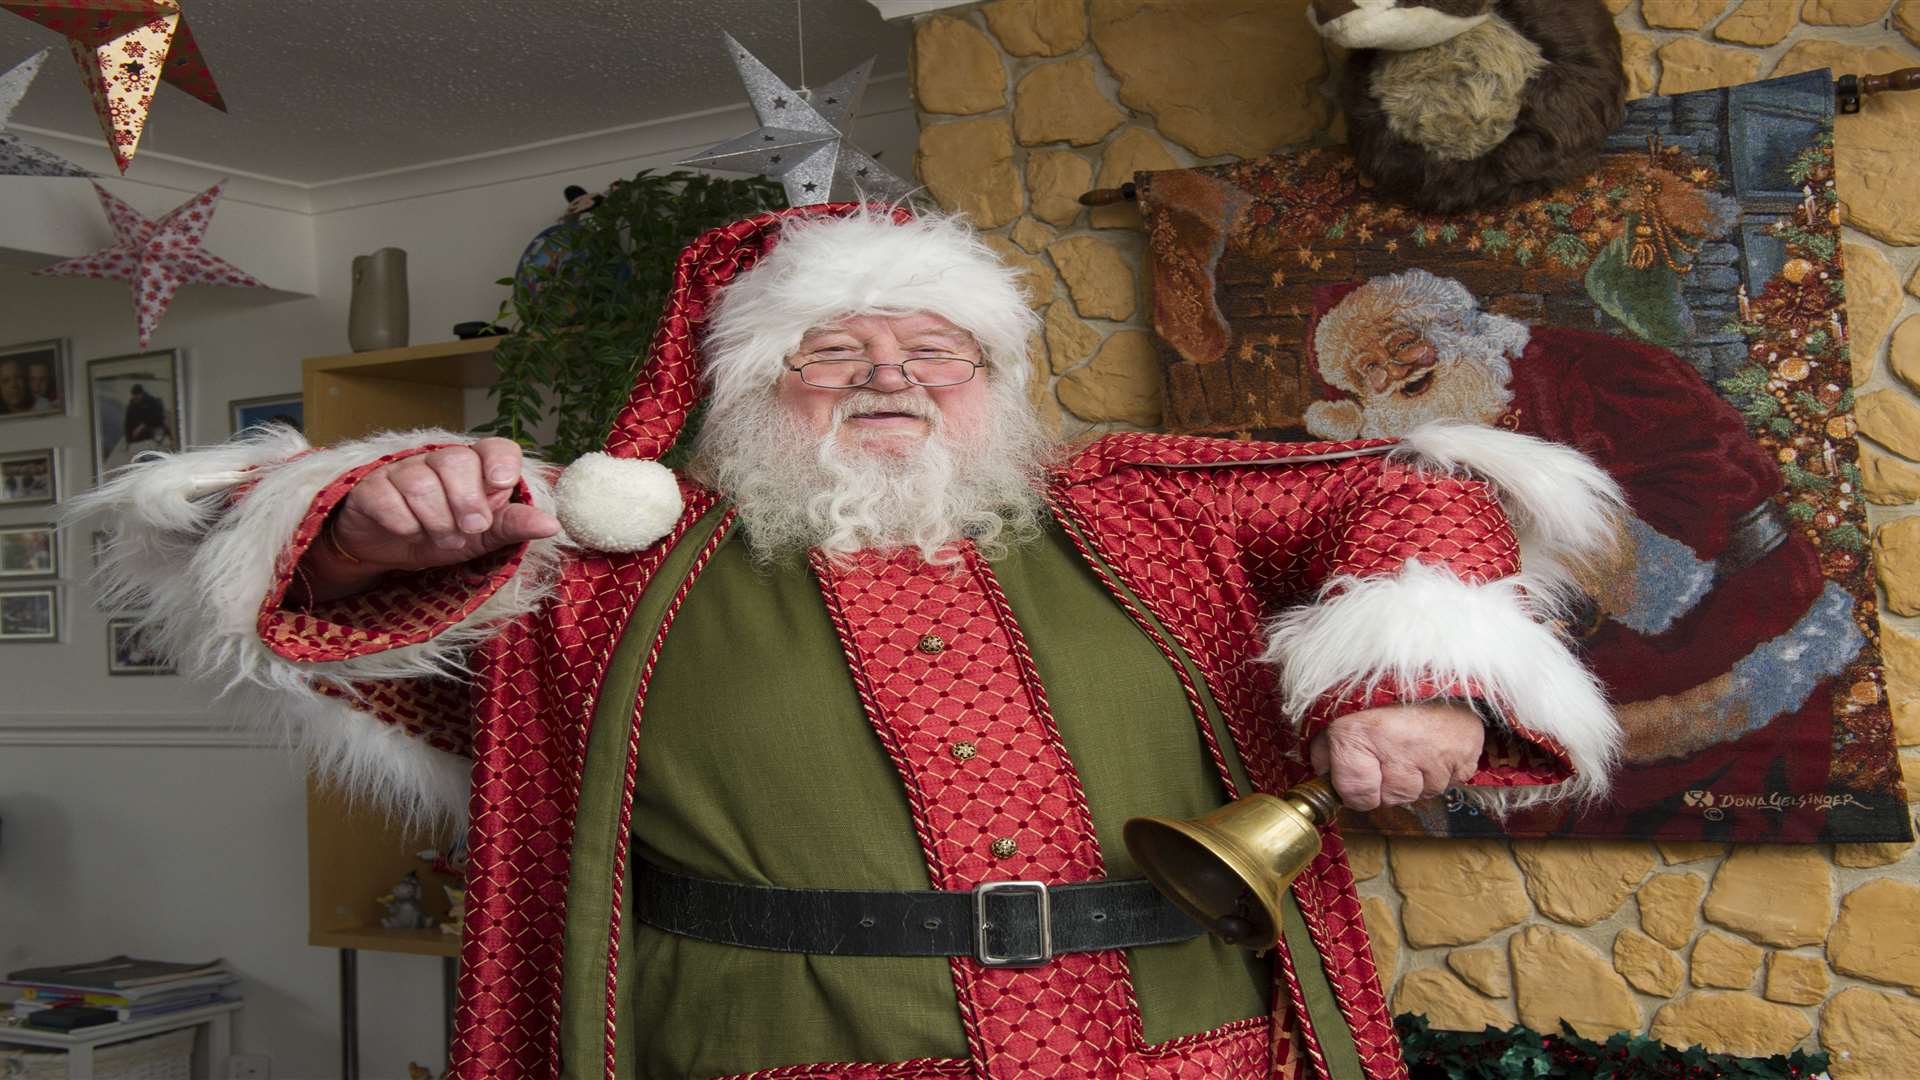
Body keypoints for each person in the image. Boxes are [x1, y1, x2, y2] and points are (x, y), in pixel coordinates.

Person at [79, 208, 1621, 1080]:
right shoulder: (609, 564)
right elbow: (328, 600)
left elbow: (1410, 488)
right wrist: (364, 521)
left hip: (1184, 1056)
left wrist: (1419, 674)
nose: (889, 371)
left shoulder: (1157, 519)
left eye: (934, 348)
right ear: (750, 389)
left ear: (995, 383)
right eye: (833, 349)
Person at [1303, 268, 1861, 838]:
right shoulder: (1396, 451)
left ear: (1454, 326)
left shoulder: (1588, 365)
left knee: (1756, 814)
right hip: (1580, 673)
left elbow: (1706, 470)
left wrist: (1591, 547)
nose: (1397, 370)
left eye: (1402, 341)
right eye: (1369, 368)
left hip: (1726, 622)